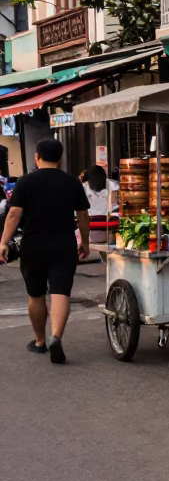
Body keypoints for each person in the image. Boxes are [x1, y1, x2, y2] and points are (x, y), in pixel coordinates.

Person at [0, 139, 91, 364]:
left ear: (36, 156)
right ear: (59, 158)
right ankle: (56, 337)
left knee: (36, 293)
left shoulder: (26, 181)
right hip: (64, 244)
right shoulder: (72, 182)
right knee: (61, 292)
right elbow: (82, 216)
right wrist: (85, 242)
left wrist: (3, 241)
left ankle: (40, 341)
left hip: (33, 245)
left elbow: (14, 214)